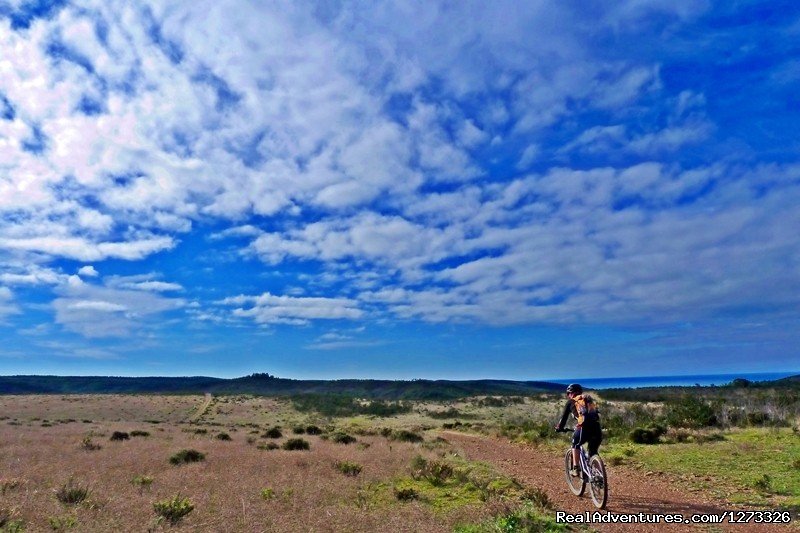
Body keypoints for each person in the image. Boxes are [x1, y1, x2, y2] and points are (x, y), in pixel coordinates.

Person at [555, 383, 602, 478]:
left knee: (575, 444)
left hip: (583, 428)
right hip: (597, 428)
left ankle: (576, 468)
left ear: (571, 393)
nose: (568, 396)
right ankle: (599, 476)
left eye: (568, 394)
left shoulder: (571, 402)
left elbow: (563, 419)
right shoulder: (588, 399)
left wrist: (559, 428)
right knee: (593, 452)